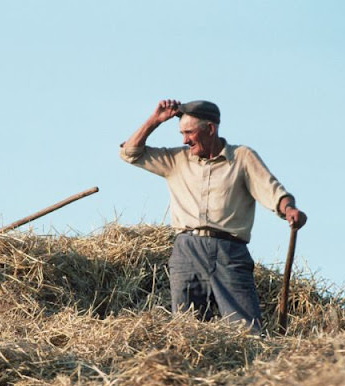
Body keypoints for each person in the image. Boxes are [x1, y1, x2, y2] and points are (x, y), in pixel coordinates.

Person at [120, 99, 307, 334]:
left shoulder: (242, 157)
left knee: (245, 329)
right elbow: (130, 153)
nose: (184, 140)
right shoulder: (175, 160)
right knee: (187, 329)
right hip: (186, 250)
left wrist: (289, 209)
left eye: (189, 132)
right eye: (181, 133)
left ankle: (250, 365)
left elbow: (273, 191)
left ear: (210, 129)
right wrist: (155, 120)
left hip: (229, 251)